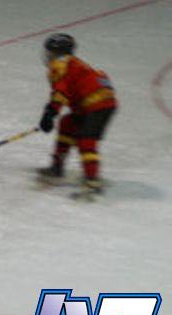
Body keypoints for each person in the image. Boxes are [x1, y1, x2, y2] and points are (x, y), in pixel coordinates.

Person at [36, 33, 117, 196]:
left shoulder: (59, 65)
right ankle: (57, 167)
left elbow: (60, 92)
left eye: (50, 52)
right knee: (67, 123)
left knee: (86, 140)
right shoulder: (72, 63)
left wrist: (50, 113)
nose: (48, 56)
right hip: (97, 103)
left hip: (97, 105)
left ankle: (92, 182)